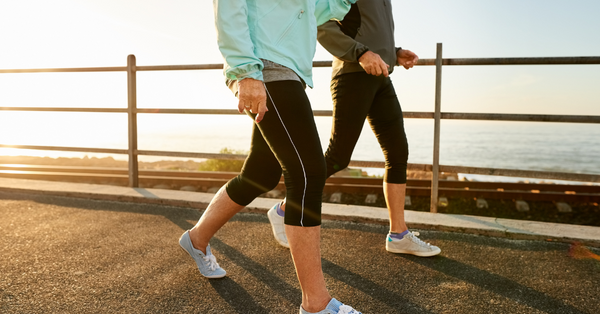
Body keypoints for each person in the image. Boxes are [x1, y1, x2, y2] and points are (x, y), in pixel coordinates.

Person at [178, 1, 364, 314]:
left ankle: (196, 238)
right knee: (307, 171)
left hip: (290, 70)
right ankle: (316, 305)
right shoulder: (255, 68)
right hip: (264, 66)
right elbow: (229, 6)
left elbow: (321, 11)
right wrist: (245, 71)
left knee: (260, 173)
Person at [267, 0, 441, 257]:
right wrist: (360, 53)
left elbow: (368, 27)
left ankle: (399, 235)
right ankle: (285, 208)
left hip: (380, 77)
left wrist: (394, 52)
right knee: (338, 157)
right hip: (352, 75)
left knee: (398, 152)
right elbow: (319, 22)